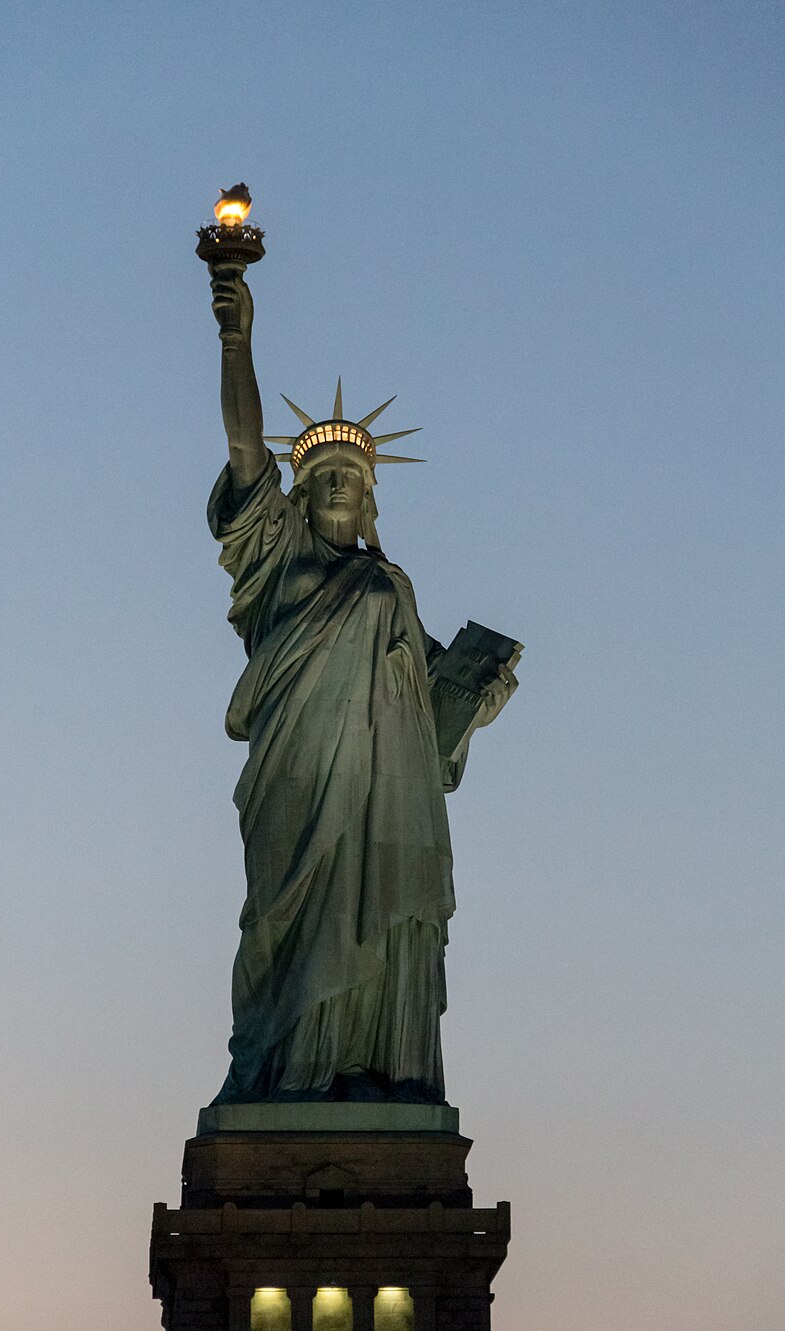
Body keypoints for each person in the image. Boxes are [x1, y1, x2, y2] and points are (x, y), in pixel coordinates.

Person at [206, 265, 515, 1104]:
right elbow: (244, 454)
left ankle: (377, 1069)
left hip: (391, 794)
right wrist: (237, 335)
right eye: (322, 475)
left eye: (353, 474)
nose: (340, 482)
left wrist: (473, 700)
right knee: (286, 919)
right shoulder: (277, 562)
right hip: (300, 779)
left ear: (371, 498)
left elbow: (428, 710)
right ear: (298, 496)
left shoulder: (394, 589)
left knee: (389, 915)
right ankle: (285, 1072)